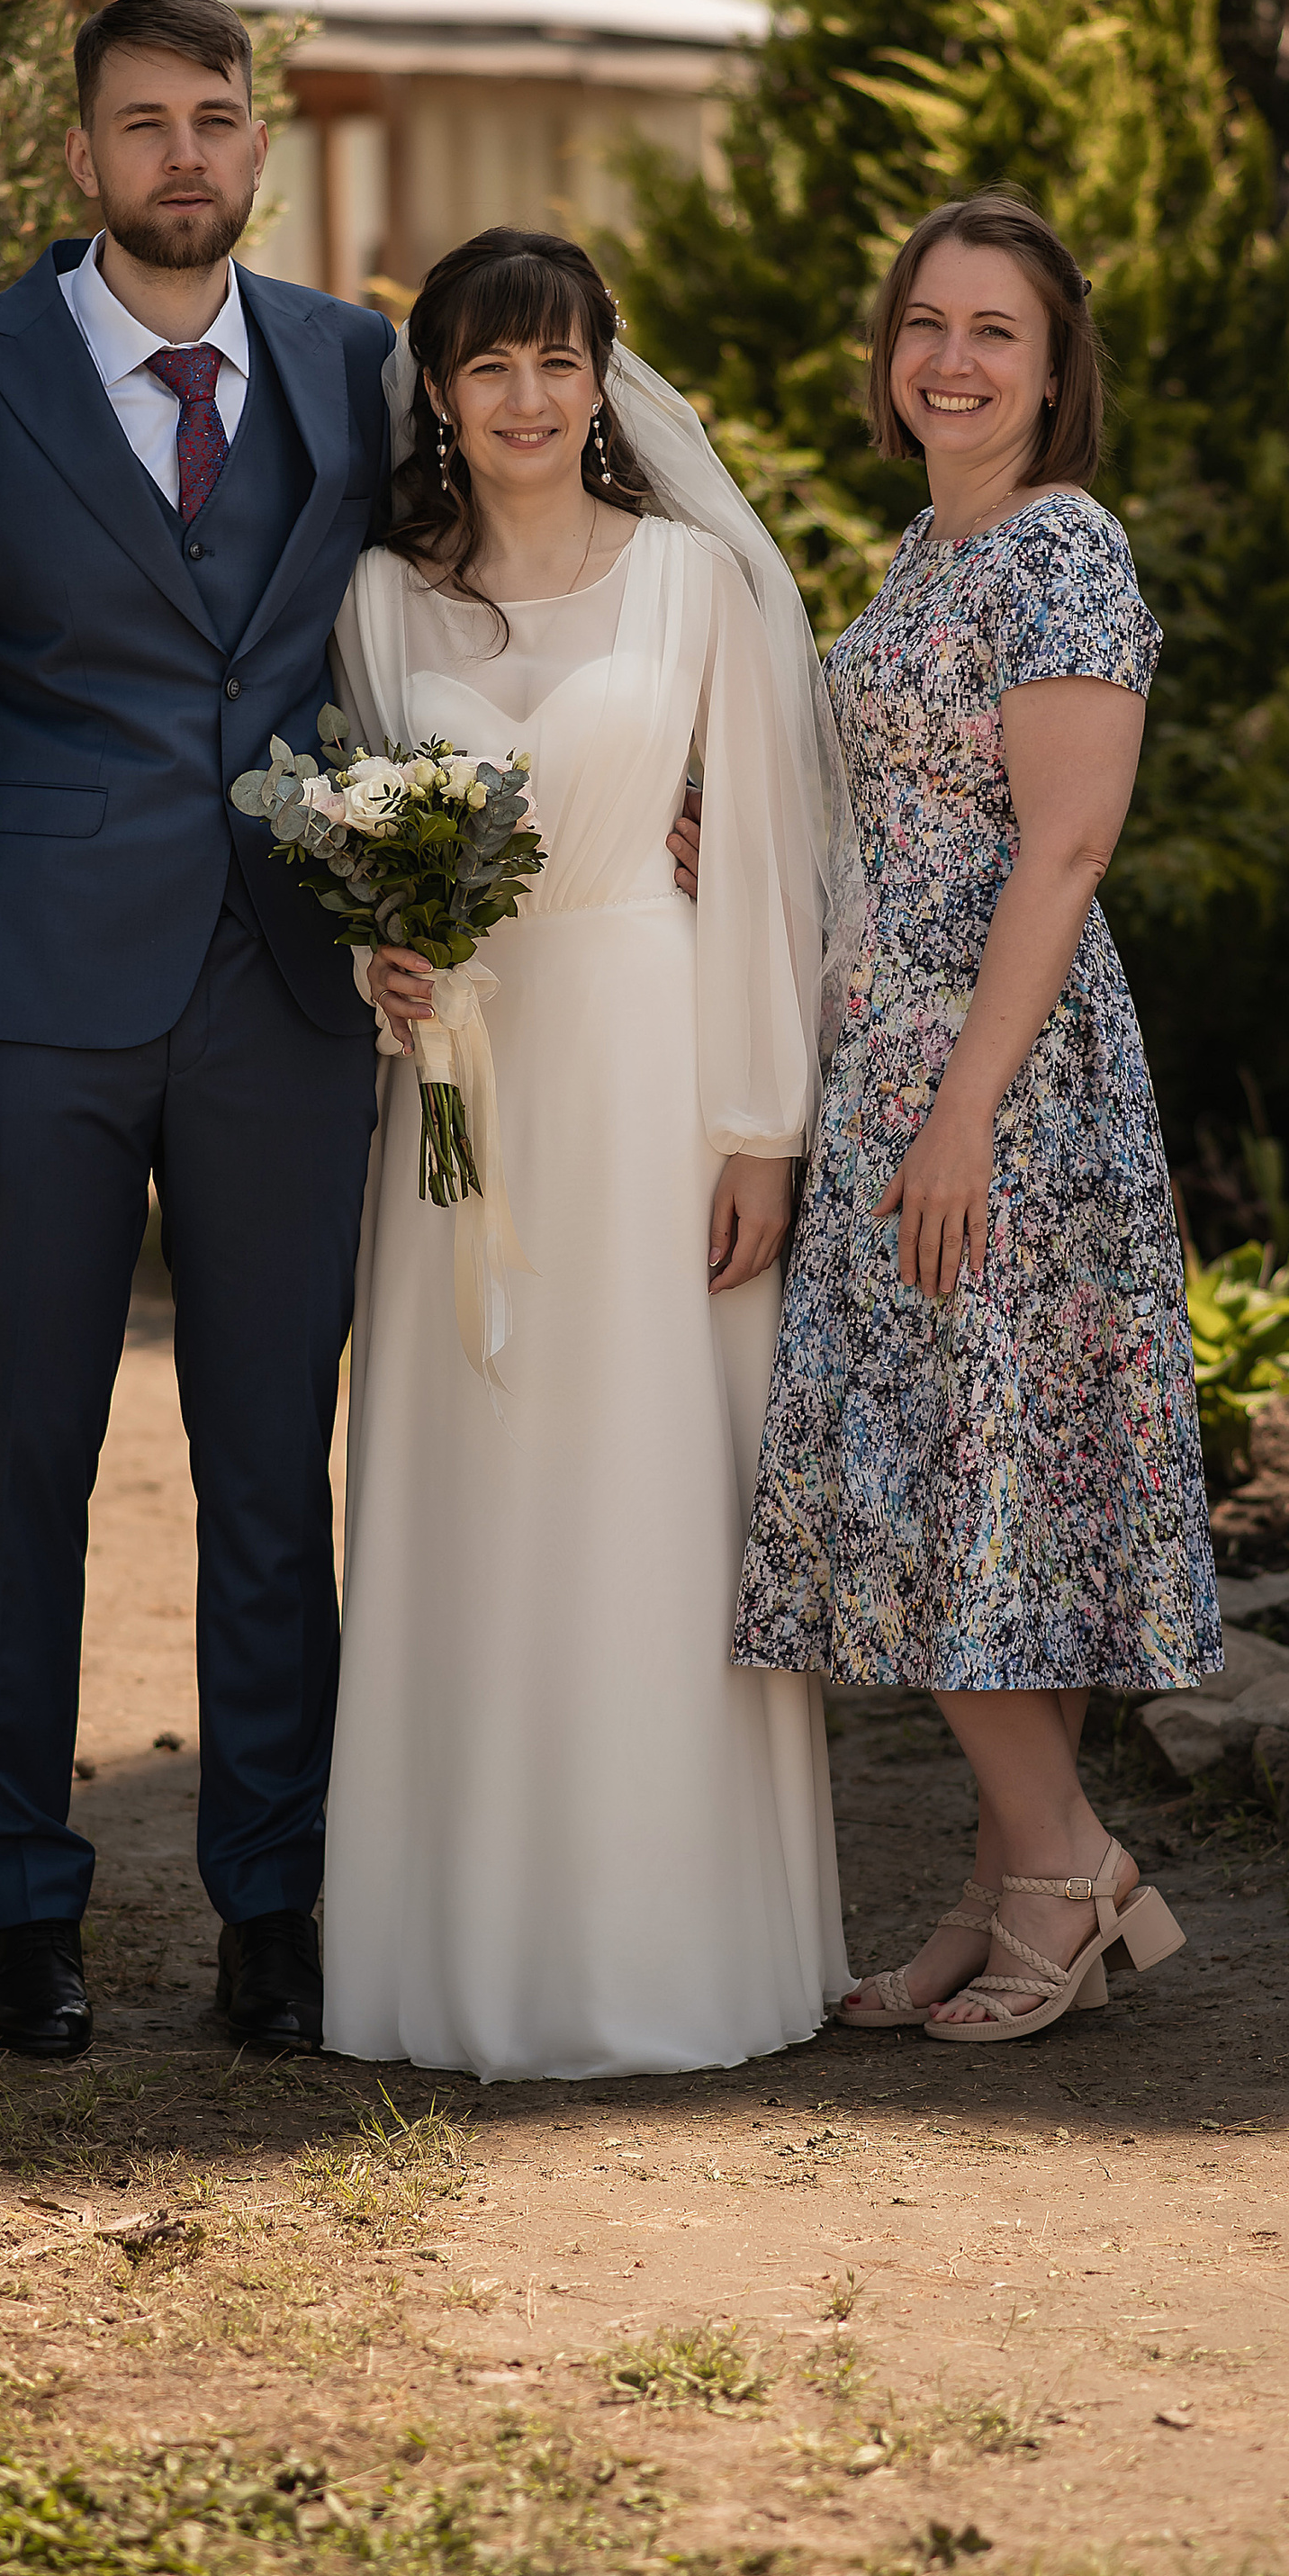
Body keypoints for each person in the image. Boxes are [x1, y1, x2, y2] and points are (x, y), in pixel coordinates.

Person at [0, 0, 394, 2064]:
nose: (182, 156)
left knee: (270, 1473)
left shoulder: (356, 365)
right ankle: (22, 1904)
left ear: (261, 144)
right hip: (33, 1019)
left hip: (287, 1006)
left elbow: (488, 590)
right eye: (141, 123)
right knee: (23, 1463)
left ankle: (271, 1902)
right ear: (78, 155)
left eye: (215, 120)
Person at [322, 230, 855, 2081]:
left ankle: (667, 1950)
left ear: (602, 377)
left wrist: (757, 1131)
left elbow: (767, 877)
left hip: (648, 1071)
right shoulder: (383, 603)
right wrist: (380, 956)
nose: (526, 401)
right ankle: (459, 1957)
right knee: (470, 1486)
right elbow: (364, 845)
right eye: (486, 370)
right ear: (439, 400)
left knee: (649, 1499)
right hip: (464, 1098)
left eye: (556, 363)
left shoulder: (695, 587)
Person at [730, 188, 1222, 2047]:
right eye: (923, 323)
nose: (948, 359)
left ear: (1051, 364)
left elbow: (1067, 840)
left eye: (991, 331)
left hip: (997, 1091)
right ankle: (1011, 1872)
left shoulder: (1055, 547)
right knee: (977, 1493)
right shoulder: (923, 556)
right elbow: (895, 808)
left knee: (951, 1495)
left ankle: (1063, 1868)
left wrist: (958, 1113)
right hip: (899, 1076)